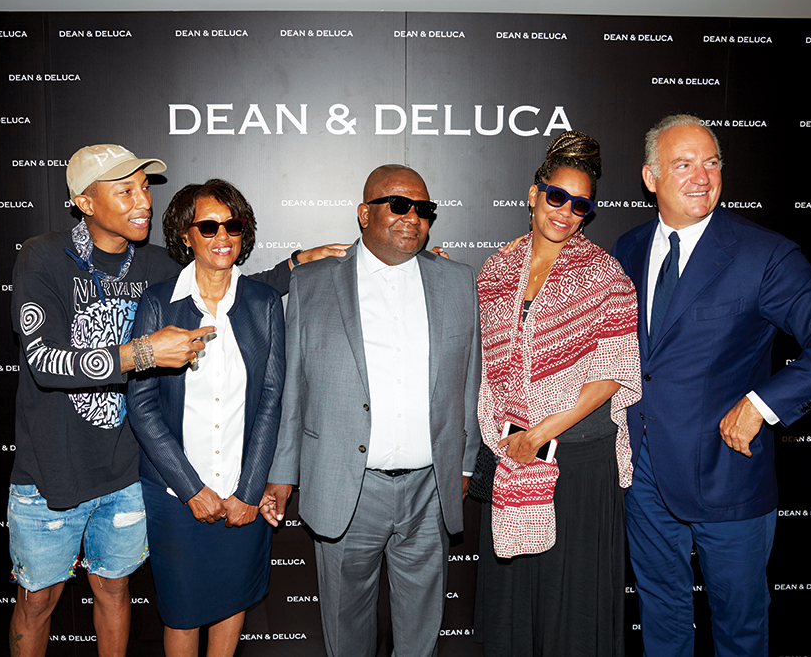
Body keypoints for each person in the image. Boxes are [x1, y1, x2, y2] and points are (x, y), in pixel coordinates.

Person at [7, 143, 346, 657]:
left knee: (115, 591)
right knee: (38, 600)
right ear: (84, 201)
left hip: (126, 476)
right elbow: (44, 362)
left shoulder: (156, 263)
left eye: (144, 186)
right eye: (124, 190)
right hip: (53, 470)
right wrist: (142, 351)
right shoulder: (43, 256)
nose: (141, 200)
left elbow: (230, 286)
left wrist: (307, 264)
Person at [611, 114, 811, 656]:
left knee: (739, 626)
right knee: (661, 615)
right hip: (643, 473)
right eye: (683, 165)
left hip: (728, 472)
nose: (702, 177)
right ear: (650, 177)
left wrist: (763, 402)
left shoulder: (763, 254)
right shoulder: (624, 250)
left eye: (712, 162)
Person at [261, 164, 482, 657]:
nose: (413, 218)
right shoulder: (313, 284)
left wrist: (464, 463)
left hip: (430, 489)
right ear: (364, 214)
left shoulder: (457, 281)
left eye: (424, 210)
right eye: (398, 205)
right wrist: (282, 472)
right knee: (346, 630)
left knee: (422, 630)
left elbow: (471, 377)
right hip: (346, 485)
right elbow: (293, 384)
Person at [473, 131, 641, 656]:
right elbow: (487, 363)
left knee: (574, 607)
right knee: (515, 605)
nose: (566, 212)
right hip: (514, 458)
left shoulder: (604, 273)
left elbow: (614, 373)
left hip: (580, 464)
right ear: (534, 193)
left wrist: (540, 433)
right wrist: (514, 441)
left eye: (581, 205)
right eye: (556, 196)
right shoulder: (497, 269)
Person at [126, 179, 284, 657]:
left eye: (232, 225)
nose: (222, 237)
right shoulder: (159, 302)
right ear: (185, 234)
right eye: (209, 226)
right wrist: (191, 489)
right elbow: (143, 404)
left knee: (231, 599)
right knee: (182, 609)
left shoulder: (263, 302)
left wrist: (250, 491)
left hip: (243, 492)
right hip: (176, 495)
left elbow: (272, 399)